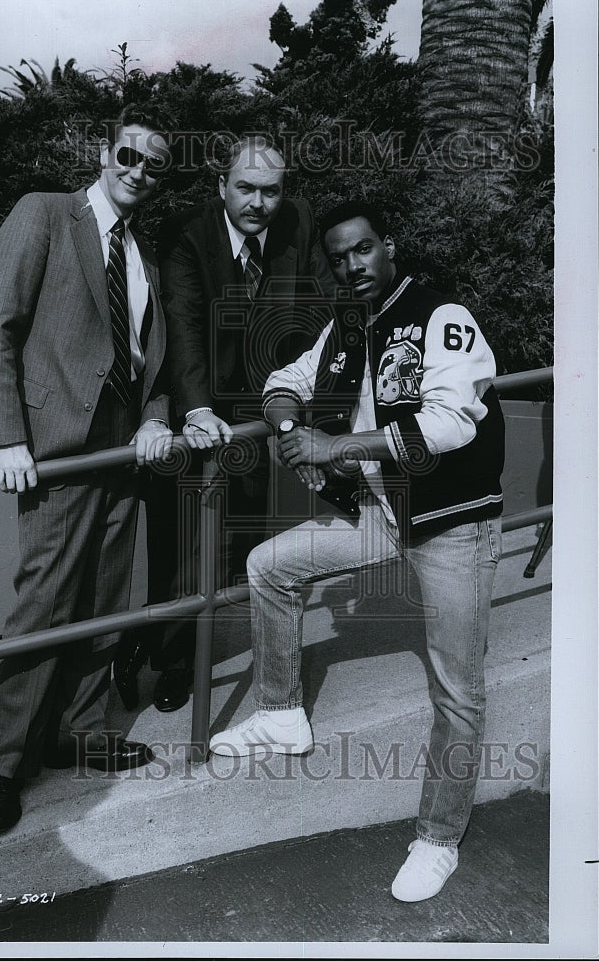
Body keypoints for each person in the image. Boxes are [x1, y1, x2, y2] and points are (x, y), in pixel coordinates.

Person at [209, 200, 505, 903]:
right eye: (339, 256)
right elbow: (286, 381)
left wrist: (335, 445)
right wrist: (286, 421)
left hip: (449, 521)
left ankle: (438, 840)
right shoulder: (342, 329)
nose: (353, 265)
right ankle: (282, 714)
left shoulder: (441, 316)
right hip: (380, 510)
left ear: (389, 247)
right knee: (269, 567)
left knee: (457, 689)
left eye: (364, 250)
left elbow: (450, 423)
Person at [0, 106, 174, 836]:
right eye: (129, 155)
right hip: (55, 448)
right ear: (103, 151)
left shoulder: (142, 252)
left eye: (154, 164)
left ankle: (81, 732)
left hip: (122, 452)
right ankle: (4, 762)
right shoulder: (45, 214)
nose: (138, 172)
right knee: (45, 602)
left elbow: (147, 353)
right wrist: (6, 438)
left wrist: (155, 415)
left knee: (106, 597)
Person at [114, 135, 335, 714]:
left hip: (261, 414)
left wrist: (298, 399)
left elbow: (320, 313)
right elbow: (183, 327)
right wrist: (196, 409)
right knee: (181, 539)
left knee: (238, 543)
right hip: (197, 410)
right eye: (246, 188)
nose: (259, 203)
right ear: (222, 186)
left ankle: (170, 638)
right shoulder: (190, 233)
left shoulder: (298, 225)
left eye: (271, 190)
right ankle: (169, 659)